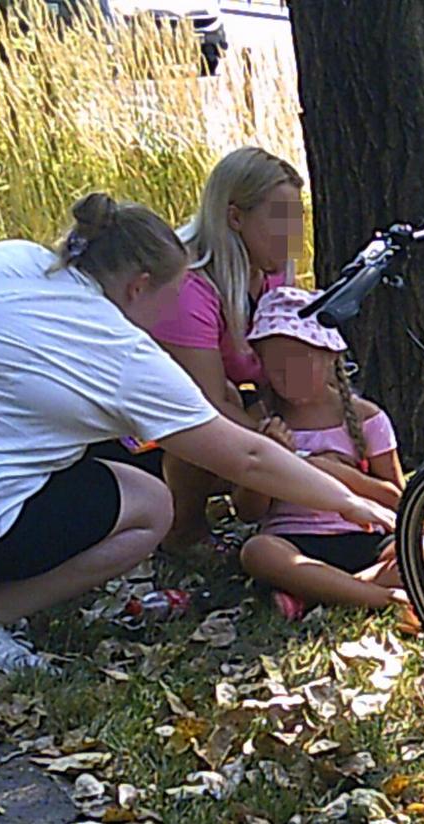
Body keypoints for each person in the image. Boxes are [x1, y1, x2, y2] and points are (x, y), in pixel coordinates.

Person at [0, 193, 393, 676]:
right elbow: (246, 456)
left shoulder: (8, 259)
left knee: (22, 444)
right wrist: (348, 501)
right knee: (150, 503)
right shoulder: (120, 352)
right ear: (138, 287)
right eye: (171, 298)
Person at [233, 287, 424, 618]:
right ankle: (376, 596)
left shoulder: (368, 418)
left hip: (366, 539)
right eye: (276, 365)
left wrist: (342, 475)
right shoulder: (261, 418)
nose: (288, 375)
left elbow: (398, 499)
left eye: (301, 361)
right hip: (294, 541)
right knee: (257, 552)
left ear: (329, 356)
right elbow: (247, 512)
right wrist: (269, 459)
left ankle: (321, 593)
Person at [148, 146, 305, 553]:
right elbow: (204, 404)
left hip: (217, 407)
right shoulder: (189, 287)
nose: (293, 232)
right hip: (139, 433)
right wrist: (278, 446)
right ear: (235, 217)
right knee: (205, 421)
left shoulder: (268, 276)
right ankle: (183, 530)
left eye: (297, 216)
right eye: (278, 216)